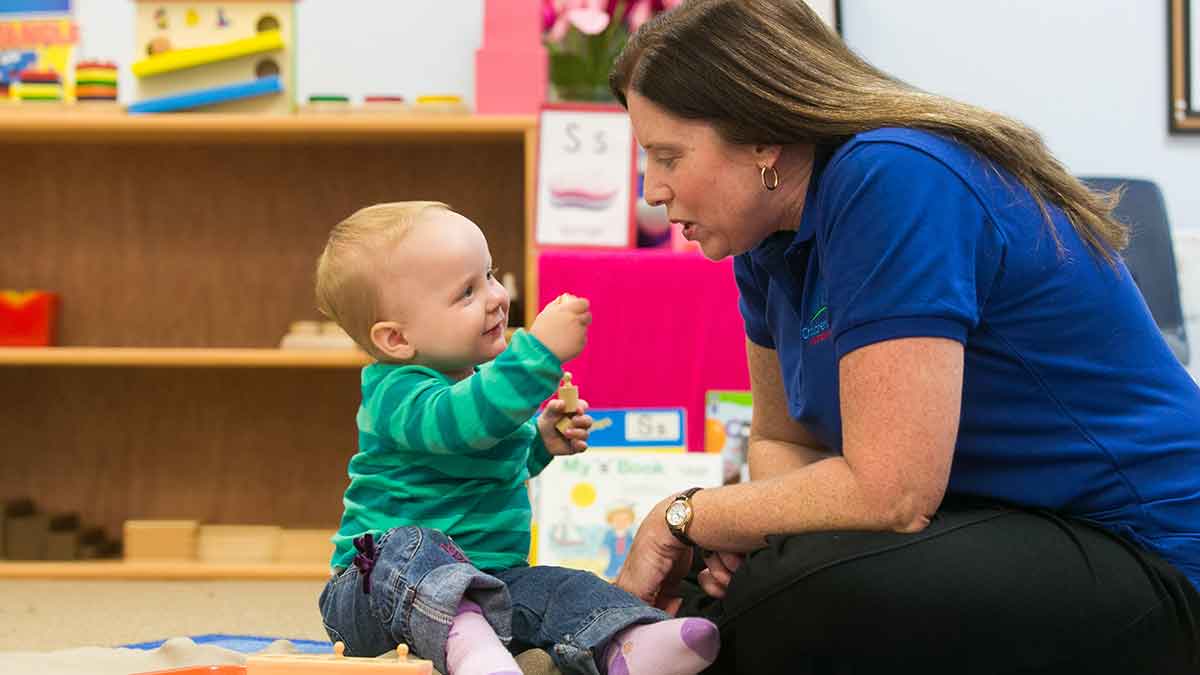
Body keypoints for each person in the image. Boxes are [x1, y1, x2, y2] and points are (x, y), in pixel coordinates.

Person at [606, 1, 1200, 673]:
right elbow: (781, 440)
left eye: (667, 156)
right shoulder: (759, 240)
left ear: (761, 139)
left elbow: (891, 492)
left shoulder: (892, 176)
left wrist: (682, 513)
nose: (651, 190)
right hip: (1006, 524)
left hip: (1150, 552)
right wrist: (751, 538)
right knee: (718, 578)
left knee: (778, 595)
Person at [312, 201, 719, 675]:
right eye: (466, 292)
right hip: (371, 594)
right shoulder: (396, 391)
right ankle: (474, 653)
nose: (496, 296)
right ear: (397, 340)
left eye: (489, 274)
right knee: (408, 546)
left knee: (560, 586)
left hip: (491, 579)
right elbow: (464, 423)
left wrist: (541, 444)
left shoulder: (482, 379)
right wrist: (539, 353)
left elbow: (494, 455)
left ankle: (626, 641)